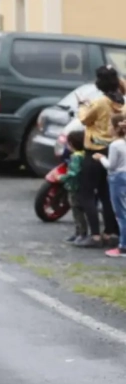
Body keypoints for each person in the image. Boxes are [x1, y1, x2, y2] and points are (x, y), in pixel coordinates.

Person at [75, 65, 123, 248]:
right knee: (106, 193)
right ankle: (110, 232)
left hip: (94, 150)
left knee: (86, 193)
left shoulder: (101, 102)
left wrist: (82, 106)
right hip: (111, 150)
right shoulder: (121, 102)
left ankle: (94, 234)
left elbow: (85, 119)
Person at [94, 114, 126, 257]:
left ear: (115, 128)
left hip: (117, 178)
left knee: (121, 213)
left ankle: (123, 246)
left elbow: (111, 165)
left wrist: (101, 158)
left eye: (109, 126)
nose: (108, 128)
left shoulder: (115, 145)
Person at [59, 130, 88, 244]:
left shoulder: (75, 157)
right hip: (83, 186)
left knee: (77, 210)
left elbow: (73, 172)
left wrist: (61, 178)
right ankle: (78, 232)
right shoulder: (84, 155)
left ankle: (81, 233)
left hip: (74, 186)